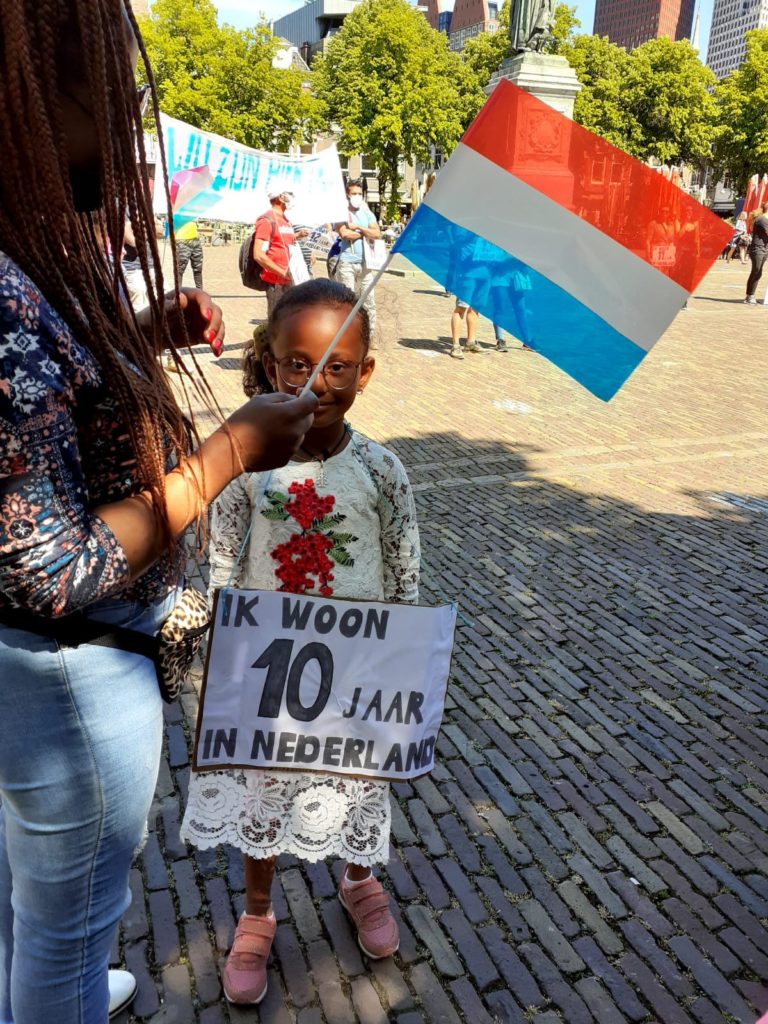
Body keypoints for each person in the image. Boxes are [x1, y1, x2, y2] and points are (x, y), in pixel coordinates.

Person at [0, 6, 317, 1023]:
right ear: (38, 99)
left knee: (35, 902)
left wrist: (134, 330)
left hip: (41, 676)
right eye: (120, 98)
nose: (138, 125)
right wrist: (229, 452)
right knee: (66, 925)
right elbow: (49, 566)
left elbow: (42, 400)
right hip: (62, 675)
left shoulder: (18, 256)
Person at [180, 278, 420, 1006]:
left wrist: (402, 653)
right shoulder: (253, 459)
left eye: (338, 366)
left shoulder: (382, 469)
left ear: (364, 372)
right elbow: (223, 547)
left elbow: (403, 561)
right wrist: (226, 633)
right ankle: (258, 909)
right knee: (268, 782)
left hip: (354, 670)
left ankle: (356, 876)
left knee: (353, 782)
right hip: (270, 667)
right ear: (273, 361)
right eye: (297, 363)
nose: (317, 382)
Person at [334, 180, 381, 346]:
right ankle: (347, 338)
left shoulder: (366, 211)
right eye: (354, 194)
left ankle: (370, 337)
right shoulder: (341, 212)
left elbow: (376, 233)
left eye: (360, 194)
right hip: (347, 263)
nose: (357, 197)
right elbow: (345, 234)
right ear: (348, 194)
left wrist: (359, 229)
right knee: (347, 302)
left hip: (366, 264)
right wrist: (363, 232)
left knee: (369, 302)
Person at [253, 187, 297, 317]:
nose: (292, 196)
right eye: (290, 193)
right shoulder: (267, 220)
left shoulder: (286, 221)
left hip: (289, 280)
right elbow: (258, 255)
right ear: (280, 196)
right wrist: (281, 272)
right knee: (277, 323)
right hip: (276, 282)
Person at [745, 201, 768, 304]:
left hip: (764, 249)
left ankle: (750, 295)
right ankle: (750, 296)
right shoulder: (762, 220)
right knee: (756, 270)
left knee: (758, 272)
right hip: (757, 249)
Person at [175, 218, 204, 291]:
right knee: (180, 269)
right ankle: (178, 293)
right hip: (182, 241)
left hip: (195, 240)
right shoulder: (177, 209)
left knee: (198, 269)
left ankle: (200, 292)